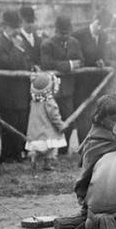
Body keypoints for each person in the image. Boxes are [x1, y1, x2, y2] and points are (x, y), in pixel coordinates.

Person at [0, 10, 33, 163]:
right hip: (7, 94)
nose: (17, 30)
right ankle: (7, 157)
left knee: (21, 124)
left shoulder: (20, 40)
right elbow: (12, 64)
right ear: (5, 27)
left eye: (17, 27)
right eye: (14, 27)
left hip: (21, 91)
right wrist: (17, 49)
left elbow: (28, 61)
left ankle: (18, 154)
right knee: (9, 127)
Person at [74, 94, 116, 215]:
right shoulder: (96, 141)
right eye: (115, 119)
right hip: (98, 191)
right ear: (101, 119)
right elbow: (88, 173)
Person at [40, 15, 84, 155]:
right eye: (62, 33)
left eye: (67, 33)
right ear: (56, 30)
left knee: (68, 119)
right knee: (50, 119)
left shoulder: (75, 42)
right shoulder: (47, 44)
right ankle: (49, 151)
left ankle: (64, 149)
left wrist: (67, 64)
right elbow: (47, 63)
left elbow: (82, 60)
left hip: (69, 89)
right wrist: (70, 65)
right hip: (51, 89)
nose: (65, 36)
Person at [72, 7, 114, 145]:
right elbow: (77, 57)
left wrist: (103, 61)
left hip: (98, 83)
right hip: (82, 82)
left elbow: (104, 55)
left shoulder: (103, 36)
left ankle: (95, 142)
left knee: (97, 113)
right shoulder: (78, 35)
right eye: (100, 26)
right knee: (83, 114)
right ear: (96, 21)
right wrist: (92, 62)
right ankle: (83, 144)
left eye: (104, 27)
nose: (101, 29)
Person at [25, 72, 66, 171]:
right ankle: (41, 158)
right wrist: (61, 125)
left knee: (41, 147)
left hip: (35, 132)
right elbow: (54, 117)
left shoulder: (34, 101)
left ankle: (38, 158)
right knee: (50, 148)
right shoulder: (50, 102)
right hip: (47, 132)